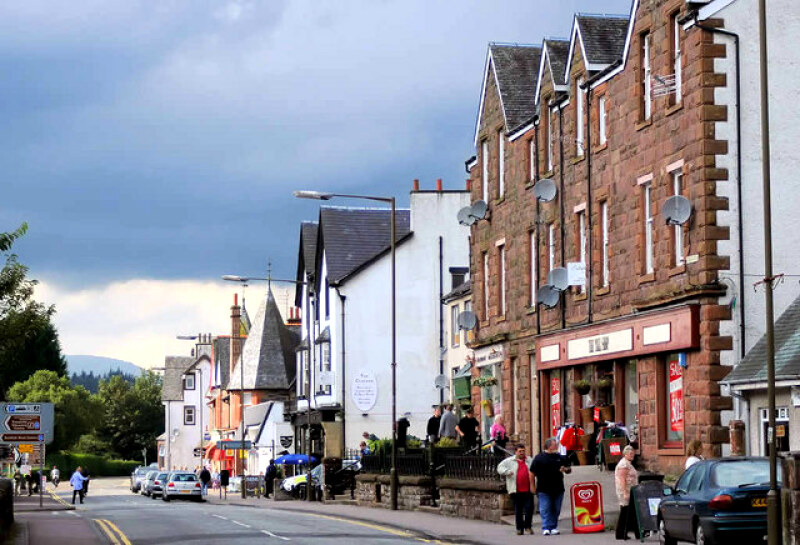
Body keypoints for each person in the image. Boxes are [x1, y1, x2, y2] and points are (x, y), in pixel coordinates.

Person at [531, 437, 572, 536]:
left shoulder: (560, 457)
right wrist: (532, 486)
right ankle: (546, 527)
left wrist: (565, 469)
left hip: (558, 488)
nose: (557, 446)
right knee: (545, 508)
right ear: (549, 446)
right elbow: (531, 473)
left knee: (556, 509)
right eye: (555, 445)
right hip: (543, 488)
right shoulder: (539, 458)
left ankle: (553, 526)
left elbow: (569, 469)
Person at [497, 443, 536, 535]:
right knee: (518, 510)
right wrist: (507, 472)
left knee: (529, 508)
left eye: (523, 451)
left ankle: (528, 527)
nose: (522, 453)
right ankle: (519, 528)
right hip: (516, 489)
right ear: (516, 452)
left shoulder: (529, 460)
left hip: (528, 489)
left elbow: (536, 468)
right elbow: (499, 467)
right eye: (520, 451)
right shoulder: (509, 461)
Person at [615, 445, 640, 540]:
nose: (632, 455)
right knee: (624, 512)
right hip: (626, 492)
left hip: (630, 491)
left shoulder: (627, 463)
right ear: (625, 454)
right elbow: (622, 479)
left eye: (633, 454)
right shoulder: (624, 465)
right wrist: (625, 492)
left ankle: (626, 533)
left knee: (629, 513)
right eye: (630, 454)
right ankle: (620, 533)